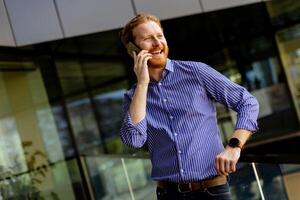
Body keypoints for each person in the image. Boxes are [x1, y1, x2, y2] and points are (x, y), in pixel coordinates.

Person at [119, 14, 259, 200]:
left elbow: (247, 102)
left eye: (160, 36)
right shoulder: (133, 97)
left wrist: (234, 145)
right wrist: (142, 84)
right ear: (132, 49)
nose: (157, 43)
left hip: (212, 191)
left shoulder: (196, 72)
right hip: (169, 194)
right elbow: (133, 141)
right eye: (147, 39)